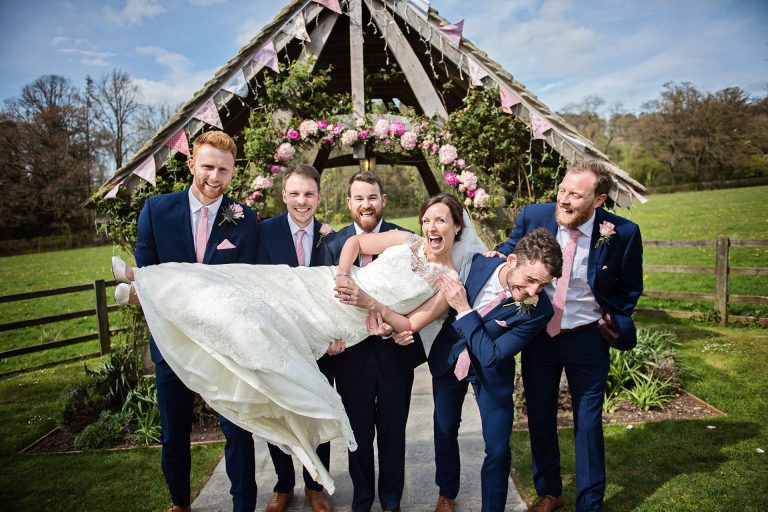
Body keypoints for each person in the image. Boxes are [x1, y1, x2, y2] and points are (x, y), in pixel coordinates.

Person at [112, 193, 468, 495]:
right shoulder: (405, 240)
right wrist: (343, 274)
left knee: (261, 323)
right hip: (326, 284)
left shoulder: (449, 282)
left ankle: (153, 297)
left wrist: (370, 304)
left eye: (440, 221)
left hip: (345, 319)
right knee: (252, 279)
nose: (431, 227)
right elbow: (357, 243)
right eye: (427, 220)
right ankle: (143, 280)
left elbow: (410, 323)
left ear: (456, 227)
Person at [493, 159, 643, 512]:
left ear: (599, 200)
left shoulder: (623, 233)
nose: (563, 199)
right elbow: (512, 248)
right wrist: (499, 255)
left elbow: (630, 288)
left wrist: (614, 316)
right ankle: (550, 492)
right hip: (539, 336)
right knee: (540, 416)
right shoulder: (534, 216)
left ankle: (589, 503)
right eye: (562, 190)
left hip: (588, 339)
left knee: (588, 423)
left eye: (575, 195)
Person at [123, 130, 260, 512]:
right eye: (208, 167)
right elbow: (147, 277)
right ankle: (180, 503)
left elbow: (248, 285)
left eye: (224, 170)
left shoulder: (244, 219)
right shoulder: (156, 211)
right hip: (173, 342)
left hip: (225, 345)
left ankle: (243, 506)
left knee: (238, 430)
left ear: (233, 172)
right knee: (174, 432)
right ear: (191, 164)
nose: (215, 177)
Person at [397, 229, 562, 512]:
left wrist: (464, 308)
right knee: (445, 430)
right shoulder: (475, 263)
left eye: (543, 284)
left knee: (497, 447)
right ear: (512, 261)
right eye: (531, 279)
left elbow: (492, 355)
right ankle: (446, 493)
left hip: (491, 372)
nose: (534, 291)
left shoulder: (541, 310)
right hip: (450, 360)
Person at [318, 171, 426, 512]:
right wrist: (328, 339)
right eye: (359, 198)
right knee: (358, 436)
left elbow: (420, 293)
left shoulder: (404, 239)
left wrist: (398, 329)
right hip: (351, 360)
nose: (366, 205)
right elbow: (321, 300)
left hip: (395, 354)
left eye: (373, 198)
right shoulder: (332, 245)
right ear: (349, 203)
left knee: (393, 434)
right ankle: (362, 500)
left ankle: (391, 501)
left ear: (384, 200)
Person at [254, 164, 336, 512]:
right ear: (284, 195)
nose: (302, 201)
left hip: (320, 343)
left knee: (317, 410)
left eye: (309, 194)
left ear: (318, 196)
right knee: (280, 411)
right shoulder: (263, 232)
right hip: (277, 339)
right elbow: (255, 284)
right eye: (295, 194)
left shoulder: (331, 237)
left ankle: (316, 484)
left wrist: (334, 333)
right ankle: (283, 483)